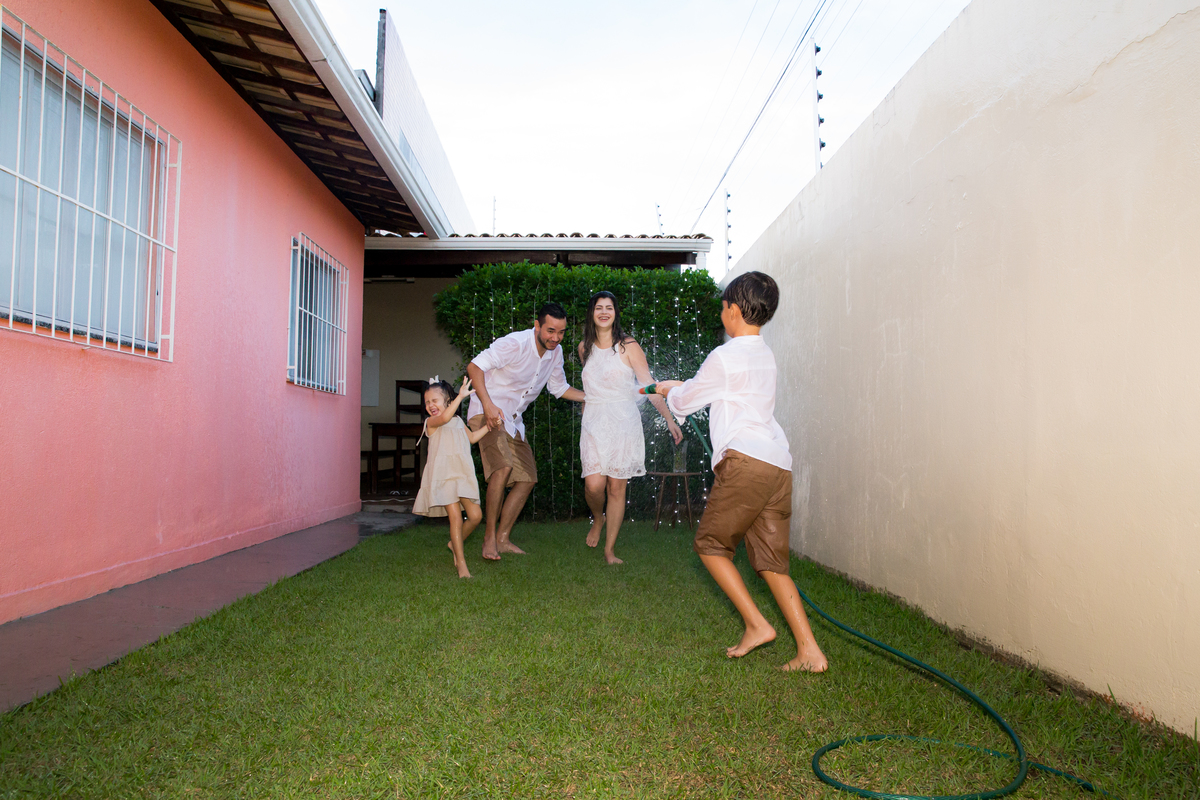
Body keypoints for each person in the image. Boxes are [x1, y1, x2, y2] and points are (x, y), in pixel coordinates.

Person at [654, 271, 828, 672]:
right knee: (771, 564)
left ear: (733, 310)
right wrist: (685, 387)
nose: (721, 314)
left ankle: (757, 625)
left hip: (746, 462)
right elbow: (724, 390)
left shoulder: (725, 356)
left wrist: (669, 390)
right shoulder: (765, 355)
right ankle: (809, 651)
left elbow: (684, 403)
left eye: (722, 307)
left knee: (710, 546)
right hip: (777, 465)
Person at [466, 302, 585, 560]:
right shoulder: (515, 343)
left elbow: (559, 388)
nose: (556, 338)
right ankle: (489, 539)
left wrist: (592, 397)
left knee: (528, 478)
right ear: (537, 325)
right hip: (486, 412)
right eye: (550, 331)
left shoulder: (555, 352)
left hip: (513, 420)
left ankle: (503, 539)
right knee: (502, 468)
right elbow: (475, 367)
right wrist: (488, 405)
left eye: (561, 332)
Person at [577, 291, 682, 564]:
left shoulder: (629, 346)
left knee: (616, 488)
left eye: (609, 308)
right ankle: (598, 518)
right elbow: (591, 388)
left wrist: (669, 418)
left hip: (623, 422)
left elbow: (648, 386)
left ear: (615, 313)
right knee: (593, 486)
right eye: (598, 308)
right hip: (593, 422)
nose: (604, 312)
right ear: (591, 313)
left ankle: (609, 550)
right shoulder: (584, 347)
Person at [412, 377, 490, 579]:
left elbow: (472, 438)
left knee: (475, 516)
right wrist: (461, 397)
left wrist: (490, 426)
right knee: (455, 517)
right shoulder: (431, 423)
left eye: (434, 400)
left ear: (447, 400)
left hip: (461, 474)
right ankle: (461, 564)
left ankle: (454, 543)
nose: (430, 405)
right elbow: (445, 418)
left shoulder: (458, 422)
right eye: (427, 402)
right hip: (443, 476)